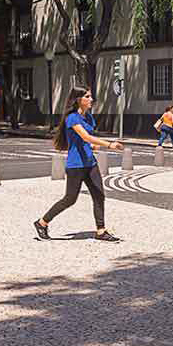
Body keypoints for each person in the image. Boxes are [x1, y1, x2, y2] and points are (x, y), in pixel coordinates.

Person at [34, 86, 122, 242]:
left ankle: (101, 231)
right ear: (78, 99)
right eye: (87, 96)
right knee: (70, 199)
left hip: (90, 163)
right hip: (76, 165)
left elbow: (84, 140)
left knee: (99, 195)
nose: (91, 99)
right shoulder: (72, 118)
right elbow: (85, 136)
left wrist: (92, 146)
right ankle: (42, 222)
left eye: (90, 96)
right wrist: (109, 144)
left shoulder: (88, 117)